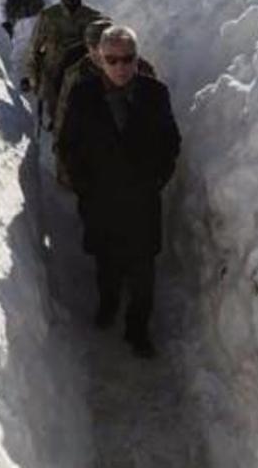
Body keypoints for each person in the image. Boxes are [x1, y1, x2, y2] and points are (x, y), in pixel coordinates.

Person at [57, 26, 180, 358]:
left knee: (143, 268)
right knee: (106, 259)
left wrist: (156, 180)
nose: (120, 67)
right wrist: (85, 187)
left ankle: (137, 329)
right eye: (112, 60)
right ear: (99, 59)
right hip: (100, 199)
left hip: (142, 200)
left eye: (127, 59)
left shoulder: (155, 94)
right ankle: (108, 303)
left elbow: (171, 143)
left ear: (137, 59)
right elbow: (68, 145)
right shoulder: (83, 94)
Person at [53, 18, 157, 189]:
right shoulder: (76, 75)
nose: (99, 53)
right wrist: (65, 169)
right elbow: (63, 121)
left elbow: (155, 113)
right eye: (94, 48)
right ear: (88, 49)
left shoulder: (140, 68)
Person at [24, 0, 103, 128]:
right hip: (53, 77)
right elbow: (33, 50)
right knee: (59, 120)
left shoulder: (93, 17)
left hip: (84, 74)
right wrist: (33, 79)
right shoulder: (48, 16)